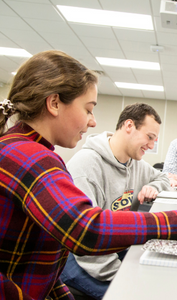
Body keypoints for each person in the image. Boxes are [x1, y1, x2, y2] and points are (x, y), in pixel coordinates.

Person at [0, 50, 177, 300]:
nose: (93, 121)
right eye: (88, 108)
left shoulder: (23, 149)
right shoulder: (29, 156)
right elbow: (86, 229)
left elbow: (38, 258)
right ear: (55, 103)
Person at [59, 102, 171, 299]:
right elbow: (86, 239)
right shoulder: (85, 167)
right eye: (149, 137)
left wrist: (152, 187)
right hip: (80, 255)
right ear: (129, 126)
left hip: (112, 247)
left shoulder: (135, 163)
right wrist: (126, 277)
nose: (152, 146)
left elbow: (163, 178)